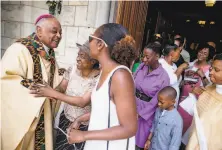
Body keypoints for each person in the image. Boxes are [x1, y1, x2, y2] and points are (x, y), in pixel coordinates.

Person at [66, 23, 138, 150]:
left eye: (90, 38)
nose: (88, 43)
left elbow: (129, 128)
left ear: (100, 44)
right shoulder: (104, 72)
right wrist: (81, 118)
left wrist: (84, 135)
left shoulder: (120, 76)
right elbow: (106, 109)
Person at [1, 14, 62, 150]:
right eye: (54, 31)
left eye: (60, 32)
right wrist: (38, 89)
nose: (58, 36)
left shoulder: (48, 53)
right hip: (25, 118)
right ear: (39, 31)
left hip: (43, 117)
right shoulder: (19, 49)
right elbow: (5, 80)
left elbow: (54, 80)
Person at [30, 41, 100, 150]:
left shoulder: (98, 79)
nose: (77, 58)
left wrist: (53, 93)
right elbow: (62, 87)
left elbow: (82, 102)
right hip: (66, 118)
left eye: (82, 56)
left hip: (84, 125)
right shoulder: (73, 69)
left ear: (92, 61)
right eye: (78, 55)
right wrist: (50, 91)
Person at [134, 42, 170, 150]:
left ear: (157, 56)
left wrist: (140, 114)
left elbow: (156, 101)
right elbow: (132, 84)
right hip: (132, 106)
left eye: (147, 57)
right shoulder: (141, 67)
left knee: (137, 144)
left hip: (146, 114)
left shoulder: (163, 77)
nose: (144, 59)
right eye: (143, 56)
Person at [186, 53, 222, 150]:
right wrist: (194, 95)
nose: (210, 73)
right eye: (211, 69)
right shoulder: (208, 89)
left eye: (216, 70)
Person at [178, 43, 214, 135]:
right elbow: (183, 80)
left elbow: (210, 88)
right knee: (177, 127)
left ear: (208, 56)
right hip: (182, 100)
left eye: (205, 53)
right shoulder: (190, 64)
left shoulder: (209, 69)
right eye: (200, 52)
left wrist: (202, 75)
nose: (201, 54)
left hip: (194, 103)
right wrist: (182, 83)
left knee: (186, 130)